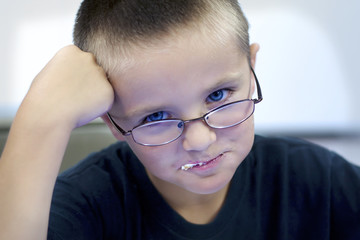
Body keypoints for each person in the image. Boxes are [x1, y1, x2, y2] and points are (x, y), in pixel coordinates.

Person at [0, 0, 359, 239]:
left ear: (251, 70)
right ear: (112, 122)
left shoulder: (320, 181)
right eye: (156, 116)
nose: (200, 141)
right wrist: (40, 120)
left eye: (218, 95)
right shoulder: (84, 205)